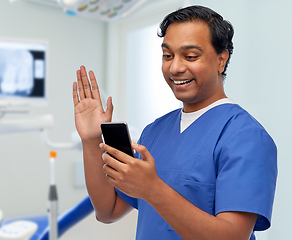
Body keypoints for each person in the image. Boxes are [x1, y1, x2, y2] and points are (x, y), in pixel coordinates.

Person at [72, 5, 277, 240]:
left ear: (221, 60)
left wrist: (152, 189)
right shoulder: (155, 131)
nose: (176, 68)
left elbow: (232, 236)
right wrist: (90, 140)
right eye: (168, 56)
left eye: (190, 56)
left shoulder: (245, 136)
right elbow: (108, 210)